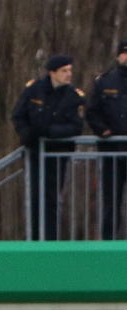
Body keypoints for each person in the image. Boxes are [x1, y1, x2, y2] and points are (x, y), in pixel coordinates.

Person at [12, 55, 85, 240]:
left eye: (70, 70)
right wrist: (26, 134)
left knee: (52, 199)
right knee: (35, 198)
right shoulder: (35, 90)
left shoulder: (73, 96)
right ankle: (36, 237)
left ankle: (50, 238)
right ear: (53, 72)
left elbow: (76, 126)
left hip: (58, 155)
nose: (69, 74)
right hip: (35, 153)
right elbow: (18, 115)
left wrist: (50, 132)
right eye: (64, 71)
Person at [86, 40, 127, 239]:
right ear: (118, 56)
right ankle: (109, 247)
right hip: (112, 152)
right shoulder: (105, 81)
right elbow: (92, 112)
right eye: (125, 53)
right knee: (111, 203)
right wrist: (102, 131)